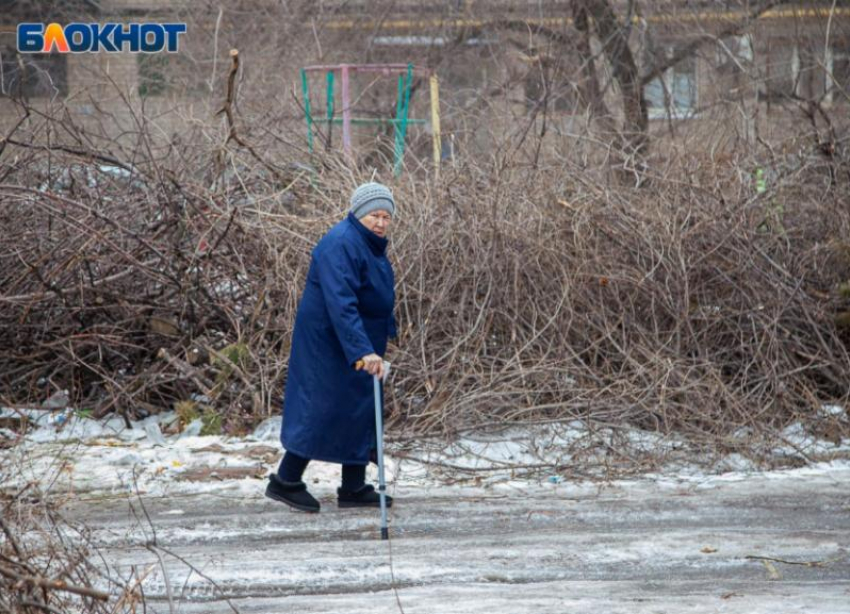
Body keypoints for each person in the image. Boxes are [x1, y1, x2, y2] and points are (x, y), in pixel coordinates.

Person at [266, 182, 398, 513]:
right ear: (358, 213)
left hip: (356, 339)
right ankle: (285, 481)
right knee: (321, 409)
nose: (381, 223)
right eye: (374, 216)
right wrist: (362, 350)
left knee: (359, 406)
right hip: (328, 343)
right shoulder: (340, 244)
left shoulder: (367, 243)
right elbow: (342, 302)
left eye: (386, 216)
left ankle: (353, 487)